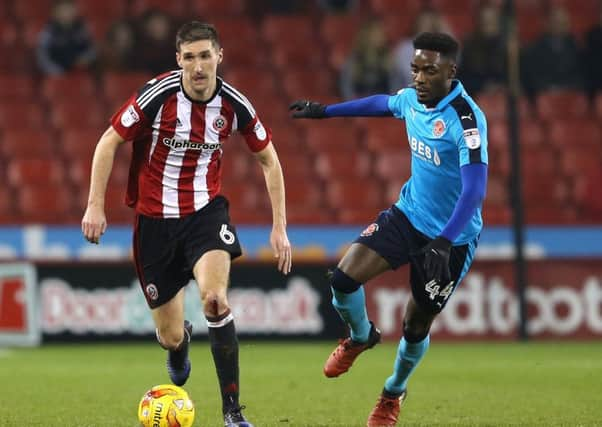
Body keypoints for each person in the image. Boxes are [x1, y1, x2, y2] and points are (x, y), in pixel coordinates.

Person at [82, 21, 292, 427]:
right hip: (154, 224)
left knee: (216, 300)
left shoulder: (235, 105)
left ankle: (232, 413)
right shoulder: (158, 96)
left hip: (205, 215)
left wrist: (279, 227)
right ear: (179, 60)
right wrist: (95, 206)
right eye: (190, 57)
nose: (198, 66)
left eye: (205, 55)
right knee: (170, 335)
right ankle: (179, 346)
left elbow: (269, 160)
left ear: (219, 56)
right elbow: (108, 141)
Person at [290, 32, 487, 426]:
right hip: (407, 215)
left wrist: (445, 241)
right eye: (415, 69)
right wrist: (326, 111)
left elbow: (475, 188)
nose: (418, 77)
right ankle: (361, 336)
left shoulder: (465, 119)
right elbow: (383, 103)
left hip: (452, 237)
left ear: (451, 71)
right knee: (344, 279)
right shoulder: (413, 98)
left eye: (429, 70)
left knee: (415, 325)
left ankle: (392, 393)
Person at [36, 0, 96, 75]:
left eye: (70, 9)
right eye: (63, 10)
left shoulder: (82, 28)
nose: (67, 13)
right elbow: (42, 56)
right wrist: (55, 71)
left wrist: (86, 58)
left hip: (81, 71)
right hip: (56, 73)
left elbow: (92, 49)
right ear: (55, 13)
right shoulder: (48, 32)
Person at [458, 3, 507, 95]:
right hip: (476, 98)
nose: (488, 26)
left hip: (502, 98)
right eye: (485, 22)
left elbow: (514, 80)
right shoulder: (469, 47)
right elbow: (463, 79)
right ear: (479, 23)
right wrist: (484, 86)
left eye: (492, 21)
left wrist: (500, 86)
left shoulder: (508, 48)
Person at [339, 19, 391, 100]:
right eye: (375, 34)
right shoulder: (354, 60)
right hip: (358, 104)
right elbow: (346, 87)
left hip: (382, 104)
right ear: (366, 36)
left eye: (380, 34)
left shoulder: (387, 59)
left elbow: (394, 85)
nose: (379, 37)